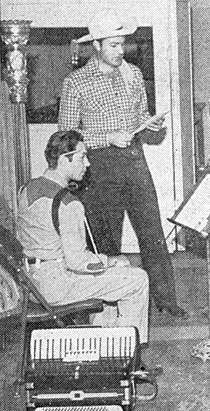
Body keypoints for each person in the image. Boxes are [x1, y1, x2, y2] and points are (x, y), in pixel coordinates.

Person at [58, 9, 187, 318]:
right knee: (106, 238)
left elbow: (140, 115)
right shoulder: (75, 82)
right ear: (97, 45)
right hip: (99, 166)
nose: (121, 51)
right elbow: (66, 135)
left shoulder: (134, 74)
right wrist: (107, 137)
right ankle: (107, 303)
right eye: (114, 45)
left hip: (134, 160)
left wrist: (150, 124)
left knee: (152, 232)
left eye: (122, 44)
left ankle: (166, 301)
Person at [17, 130, 150, 344]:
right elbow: (78, 262)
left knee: (112, 281)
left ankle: (103, 347)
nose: (87, 164)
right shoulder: (68, 204)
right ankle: (129, 351)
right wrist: (112, 261)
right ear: (63, 160)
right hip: (57, 285)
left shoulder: (26, 189)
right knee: (137, 279)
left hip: (32, 284)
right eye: (82, 157)